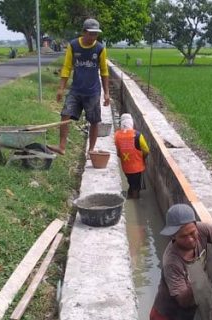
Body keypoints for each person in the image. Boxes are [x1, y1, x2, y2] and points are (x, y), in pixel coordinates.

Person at [49, 18, 110, 156]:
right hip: (76, 90)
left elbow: (104, 71)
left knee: (94, 121)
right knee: (65, 114)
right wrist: (61, 88)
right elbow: (67, 67)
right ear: (84, 32)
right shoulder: (74, 45)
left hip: (93, 91)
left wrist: (107, 93)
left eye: (96, 34)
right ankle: (62, 146)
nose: (93, 37)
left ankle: (91, 149)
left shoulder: (100, 48)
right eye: (91, 33)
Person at [114, 113, 150, 199]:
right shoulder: (137, 135)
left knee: (130, 182)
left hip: (126, 167)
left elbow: (118, 152)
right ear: (131, 123)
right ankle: (135, 199)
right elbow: (146, 150)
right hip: (137, 167)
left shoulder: (116, 135)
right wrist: (142, 158)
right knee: (136, 187)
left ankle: (130, 195)